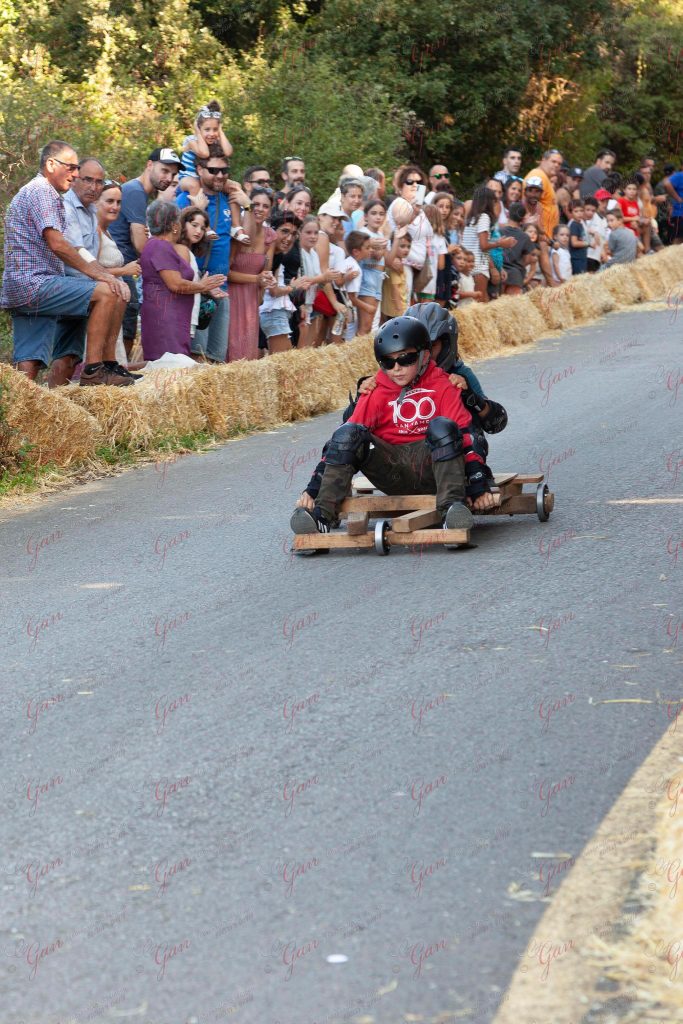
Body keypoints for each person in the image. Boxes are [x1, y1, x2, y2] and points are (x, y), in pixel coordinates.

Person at [289, 316, 493, 538]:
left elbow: (465, 436)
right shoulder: (375, 390)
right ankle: (321, 516)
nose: (397, 368)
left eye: (406, 358)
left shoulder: (445, 385)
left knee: (442, 427)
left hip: (434, 472)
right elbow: (340, 442)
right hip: (391, 473)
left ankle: (451, 511)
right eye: (388, 362)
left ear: (424, 356)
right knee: (349, 432)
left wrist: (478, 484)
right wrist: (313, 488)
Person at [1, 140, 133, 387]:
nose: (74, 174)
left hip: (23, 287)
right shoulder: (43, 191)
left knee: (29, 361)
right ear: (51, 164)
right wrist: (101, 275)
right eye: (71, 168)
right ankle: (94, 370)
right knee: (107, 292)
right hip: (36, 283)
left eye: (76, 169)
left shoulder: (37, 191)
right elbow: (58, 244)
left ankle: (17, 409)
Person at [176, 145, 250, 361]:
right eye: (213, 170)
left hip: (221, 287)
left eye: (224, 171)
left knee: (216, 358)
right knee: (196, 355)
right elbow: (174, 242)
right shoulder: (186, 199)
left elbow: (247, 239)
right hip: (195, 287)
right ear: (199, 170)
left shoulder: (230, 198)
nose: (220, 175)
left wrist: (249, 206)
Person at [108, 146, 182, 356]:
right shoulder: (135, 191)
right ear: (150, 165)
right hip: (120, 267)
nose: (168, 178)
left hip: (123, 265)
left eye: (173, 174)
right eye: (164, 171)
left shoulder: (139, 192)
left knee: (126, 328)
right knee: (126, 329)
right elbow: (141, 245)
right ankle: (116, 370)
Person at [140, 200, 226, 360]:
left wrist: (203, 287)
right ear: (175, 225)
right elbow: (175, 284)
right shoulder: (160, 246)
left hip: (174, 316)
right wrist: (202, 286)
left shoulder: (160, 245)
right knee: (169, 365)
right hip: (165, 317)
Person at [48, 157, 106, 387]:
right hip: (67, 285)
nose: (94, 187)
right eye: (88, 180)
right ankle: (94, 370)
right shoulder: (67, 205)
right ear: (75, 179)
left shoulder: (91, 210)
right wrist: (105, 276)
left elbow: (91, 255)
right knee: (62, 353)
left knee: (70, 355)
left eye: (99, 182)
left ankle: (103, 366)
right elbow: (77, 250)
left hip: (83, 286)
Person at [88, 179, 142, 371]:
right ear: (96, 202)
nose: (115, 207)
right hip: (100, 304)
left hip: (114, 306)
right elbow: (89, 272)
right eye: (109, 201)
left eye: (119, 202)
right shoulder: (94, 232)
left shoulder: (106, 231)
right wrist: (124, 270)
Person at [227, 187, 277, 361]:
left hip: (251, 300)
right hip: (230, 296)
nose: (260, 209)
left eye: (265, 206)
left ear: (270, 211)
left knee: (247, 354)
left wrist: (267, 280)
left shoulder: (270, 236)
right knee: (230, 350)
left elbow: (266, 270)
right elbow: (225, 272)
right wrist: (256, 279)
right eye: (256, 204)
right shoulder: (236, 230)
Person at [258, 210, 306, 353]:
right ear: (272, 230)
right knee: (284, 361)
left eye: (293, 234)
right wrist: (292, 287)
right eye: (284, 231)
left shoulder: (278, 255)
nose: (289, 238)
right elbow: (273, 290)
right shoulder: (268, 250)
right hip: (272, 312)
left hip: (274, 313)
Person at [386, 165, 432, 303]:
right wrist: (415, 209)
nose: (415, 185)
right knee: (400, 309)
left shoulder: (419, 208)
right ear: (400, 187)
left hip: (413, 269)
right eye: (410, 182)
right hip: (400, 265)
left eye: (419, 182)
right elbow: (402, 221)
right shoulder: (400, 203)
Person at [462, 187, 515, 302]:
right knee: (480, 303)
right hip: (478, 267)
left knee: (480, 301)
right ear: (488, 202)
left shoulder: (471, 218)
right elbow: (484, 246)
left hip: (469, 265)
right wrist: (501, 243)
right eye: (494, 201)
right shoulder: (484, 217)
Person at [178, 101, 234, 198]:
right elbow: (204, 153)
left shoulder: (214, 141)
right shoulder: (191, 141)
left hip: (204, 179)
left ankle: (236, 208)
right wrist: (197, 132)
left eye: (215, 129)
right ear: (199, 128)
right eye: (207, 129)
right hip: (187, 178)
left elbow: (228, 152)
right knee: (194, 185)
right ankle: (197, 207)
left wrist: (220, 131)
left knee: (234, 186)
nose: (211, 134)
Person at [312, 199, 347, 344]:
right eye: (333, 217)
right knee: (312, 343)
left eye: (339, 219)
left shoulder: (319, 236)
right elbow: (324, 273)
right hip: (312, 294)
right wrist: (335, 303)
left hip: (312, 292)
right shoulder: (322, 236)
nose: (337, 222)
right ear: (320, 216)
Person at [357, 199, 387, 335]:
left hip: (377, 282)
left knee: (372, 325)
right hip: (366, 282)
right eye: (373, 213)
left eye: (381, 214)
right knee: (365, 325)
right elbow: (375, 255)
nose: (378, 217)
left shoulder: (380, 234)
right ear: (365, 216)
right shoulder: (362, 234)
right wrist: (375, 247)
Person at [523, 149, 563, 244]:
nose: (556, 165)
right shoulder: (537, 176)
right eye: (553, 161)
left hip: (546, 239)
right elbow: (529, 210)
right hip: (540, 240)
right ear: (543, 160)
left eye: (559, 163)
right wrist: (543, 238)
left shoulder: (544, 177)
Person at [342, 231, 373, 339]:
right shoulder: (355, 268)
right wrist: (368, 307)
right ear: (356, 251)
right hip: (348, 310)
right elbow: (351, 298)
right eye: (367, 248)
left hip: (345, 309)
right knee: (348, 339)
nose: (371, 250)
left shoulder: (348, 262)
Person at [500, 203, 536, 296]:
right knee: (513, 304)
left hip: (499, 272)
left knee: (497, 303)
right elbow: (527, 259)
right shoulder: (525, 237)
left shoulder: (499, 231)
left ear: (508, 214)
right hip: (516, 276)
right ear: (523, 219)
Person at [381, 229, 412, 321]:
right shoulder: (396, 264)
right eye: (402, 246)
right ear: (393, 246)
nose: (406, 249)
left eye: (408, 246)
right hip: (396, 311)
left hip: (392, 309)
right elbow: (395, 289)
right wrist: (400, 310)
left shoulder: (396, 262)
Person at [583, 195, 608, 271]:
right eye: (587, 210)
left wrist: (603, 251)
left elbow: (602, 239)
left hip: (594, 256)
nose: (590, 212)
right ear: (583, 208)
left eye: (593, 211)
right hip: (582, 255)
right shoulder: (579, 219)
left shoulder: (601, 221)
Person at [567, 199, 590, 275]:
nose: (579, 213)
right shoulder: (574, 225)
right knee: (579, 278)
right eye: (576, 211)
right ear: (571, 212)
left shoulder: (579, 223)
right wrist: (588, 243)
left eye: (581, 211)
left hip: (581, 257)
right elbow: (574, 243)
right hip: (576, 258)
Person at [664, 159, 683, 243]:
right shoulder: (680, 175)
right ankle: (673, 252)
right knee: (678, 238)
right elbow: (666, 183)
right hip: (680, 213)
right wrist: (677, 198)